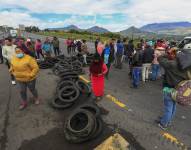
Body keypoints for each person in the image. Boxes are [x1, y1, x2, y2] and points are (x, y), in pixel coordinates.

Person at [157, 48, 191, 130]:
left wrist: (168, 53)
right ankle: (168, 121)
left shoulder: (172, 64)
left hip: (169, 88)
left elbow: (160, 58)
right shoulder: (188, 67)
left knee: (168, 107)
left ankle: (163, 124)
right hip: (179, 91)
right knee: (173, 106)